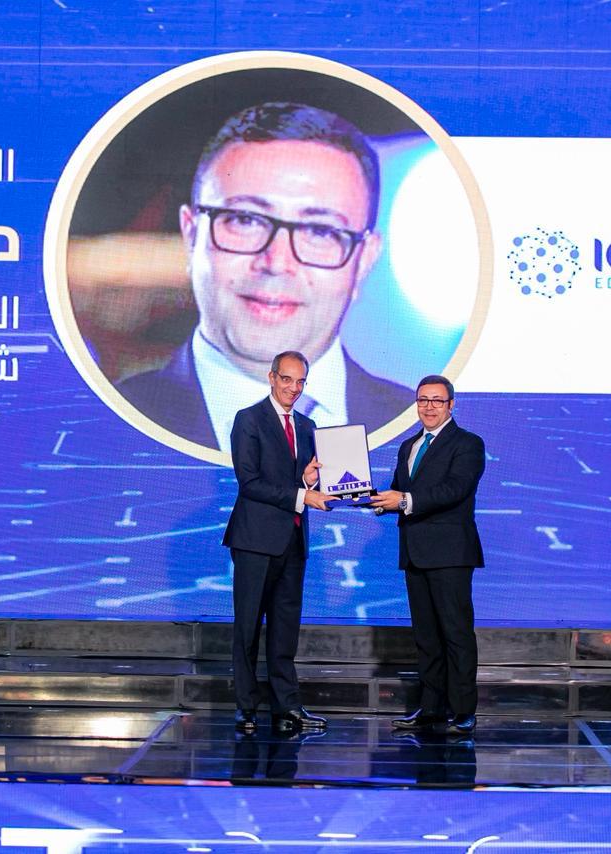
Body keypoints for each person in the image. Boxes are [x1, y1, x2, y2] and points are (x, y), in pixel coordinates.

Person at [117, 101, 410, 452]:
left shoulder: (424, 429)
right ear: (191, 235)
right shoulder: (104, 429)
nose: (277, 262)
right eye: (245, 220)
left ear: (364, 261)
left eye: (320, 230)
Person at [224, 350, 336, 734]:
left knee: (285, 628)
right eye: (287, 379)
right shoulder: (249, 419)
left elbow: (295, 480)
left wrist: (307, 481)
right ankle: (246, 707)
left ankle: (287, 707)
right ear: (272, 378)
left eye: (300, 381)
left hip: (292, 539)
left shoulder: (307, 425)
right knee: (248, 627)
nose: (294, 388)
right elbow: (250, 482)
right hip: (255, 540)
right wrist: (304, 495)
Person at [371, 375, 485, 736]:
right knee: (426, 637)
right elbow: (398, 491)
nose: (429, 407)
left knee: (455, 634)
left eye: (437, 400)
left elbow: (454, 490)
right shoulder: (408, 445)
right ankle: (431, 708)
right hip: (415, 552)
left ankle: (463, 711)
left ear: (451, 405)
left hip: (450, 553)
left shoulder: (468, 444)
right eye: (423, 400)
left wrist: (403, 500)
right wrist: (369, 498)